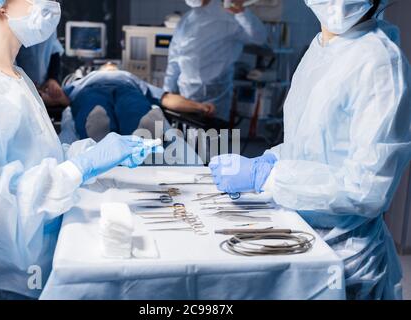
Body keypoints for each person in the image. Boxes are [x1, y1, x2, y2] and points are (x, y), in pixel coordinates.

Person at [210, 0, 410, 300]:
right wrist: (271, 159)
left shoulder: (380, 61)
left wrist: (268, 176)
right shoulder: (322, 48)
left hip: (346, 256)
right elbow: (308, 143)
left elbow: (368, 189)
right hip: (301, 233)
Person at [0, 0, 160, 299]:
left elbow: (36, 158)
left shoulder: (13, 76)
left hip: (47, 250)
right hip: (9, 279)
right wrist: (77, 170)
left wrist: (85, 154)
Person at [40, 63, 216, 142]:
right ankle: (99, 129)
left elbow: (167, 98)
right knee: (95, 107)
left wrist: (198, 106)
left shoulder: (129, 77)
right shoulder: (85, 79)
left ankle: (142, 128)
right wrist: (46, 94)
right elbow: (61, 100)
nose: (110, 65)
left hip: (126, 89)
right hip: (92, 90)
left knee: (131, 106)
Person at [164, 0, 267, 121]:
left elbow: (259, 38)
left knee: (216, 137)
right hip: (186, 95)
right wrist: (166, 94)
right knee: (189, 137)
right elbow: (174, 61)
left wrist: (241, 13)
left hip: (217, 95)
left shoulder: (230, 16)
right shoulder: (186, 21)